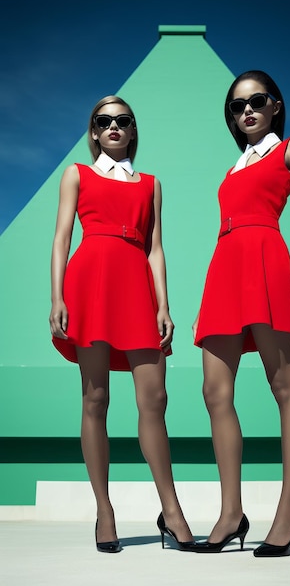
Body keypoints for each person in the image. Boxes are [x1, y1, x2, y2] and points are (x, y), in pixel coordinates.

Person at [49, 95, 195, 553]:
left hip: (137, 288)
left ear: (133, 130)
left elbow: (155, 248)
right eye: (103, 120)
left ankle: (171, 512)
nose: (113, 126)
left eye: (123, 120)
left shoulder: (151, 184)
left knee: (155, 399)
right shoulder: (78, 173)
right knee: (95, 398)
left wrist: (164, 305)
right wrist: (56, 296)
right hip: (89, 283)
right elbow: (62, 237)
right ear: (93, 131)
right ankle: (104, 510)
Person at [192, 70, 290, 556]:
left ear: (275, 104)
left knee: (284, 385)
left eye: (256, 100)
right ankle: (232, 514)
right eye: (236, 106)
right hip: (224, 270)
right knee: (213, 390)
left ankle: (288, 515)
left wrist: (289, 277)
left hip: (268, 265)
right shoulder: (233, 168)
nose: (245, 110)